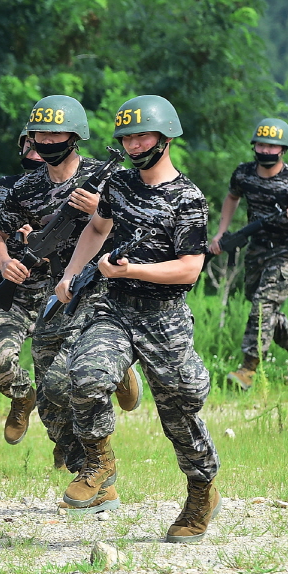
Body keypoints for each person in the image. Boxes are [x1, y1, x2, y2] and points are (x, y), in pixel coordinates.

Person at [56, 95, 219, 542]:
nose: (132, 145)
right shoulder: (120, 185)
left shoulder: (188, 199)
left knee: (181, 411)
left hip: (163, 318)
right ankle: (99, 463)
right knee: (85, 376)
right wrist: (71, 274)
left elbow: (189, 267)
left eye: (142, 136)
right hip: (114, 306)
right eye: (126, 137)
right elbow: (96, 228)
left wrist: (134, 269)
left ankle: (202, 491)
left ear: (165, 139)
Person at [0, 96, 140, 504]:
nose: (48, 141)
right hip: (56, 290)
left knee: (64, 379)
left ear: (75, 136)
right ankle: (91, 478)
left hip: (100, 287)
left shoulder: (109, 179)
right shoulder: (26, 186)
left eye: (57, 134)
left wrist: (103, 212)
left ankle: (98, 464)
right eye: (41, 134)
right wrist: (5, 265)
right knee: (50, 397)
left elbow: (147, 227)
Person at [212, 118, 288, 389]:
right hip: (257, 248)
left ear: (283, 149)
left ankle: (249, 368)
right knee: (261, 305)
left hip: (287, 251)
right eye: (261, 145)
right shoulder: (244, 173)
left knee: (262, 306)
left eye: (272, 146)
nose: (265, 151)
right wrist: (222, 231)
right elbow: (232, 196)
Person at [0, 129, 49, 450]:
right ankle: (21, 396)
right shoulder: (6, 187)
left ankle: (70, 450)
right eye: (28, 147)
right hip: (15, 290)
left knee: (57, 384)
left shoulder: (73, 189)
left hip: (59, 290)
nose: (32, 156)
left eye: (40, 149)